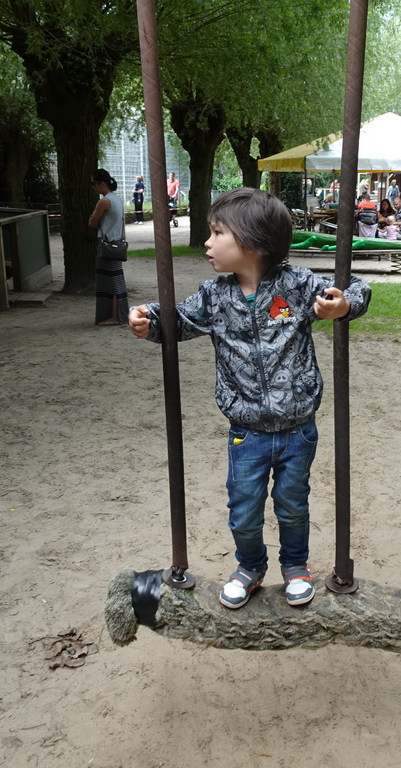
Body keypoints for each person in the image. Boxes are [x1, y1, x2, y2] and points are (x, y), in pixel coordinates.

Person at [128, 188, 371, 610]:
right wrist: (147, 319)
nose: (207, 242)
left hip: (298, 428)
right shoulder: (214, 295)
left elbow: (354, 288)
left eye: (217, 232)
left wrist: (344, 306)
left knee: (293, 505)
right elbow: (178, 319)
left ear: (253, 242)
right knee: (243, 509)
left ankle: (295, 566)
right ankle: (250, 567)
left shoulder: (297, 286)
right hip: (247, 432)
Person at [89, 169, 128, 326]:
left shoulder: (104, 201)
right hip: (116, 243)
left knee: (108, 281)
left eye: (94, 184)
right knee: (115, 279)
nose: (93, 187)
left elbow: (92, 222)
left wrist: (92, 217)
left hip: (106, 245)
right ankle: (117, 314)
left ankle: (116, 316)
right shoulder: (116, 199)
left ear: (102, 183)